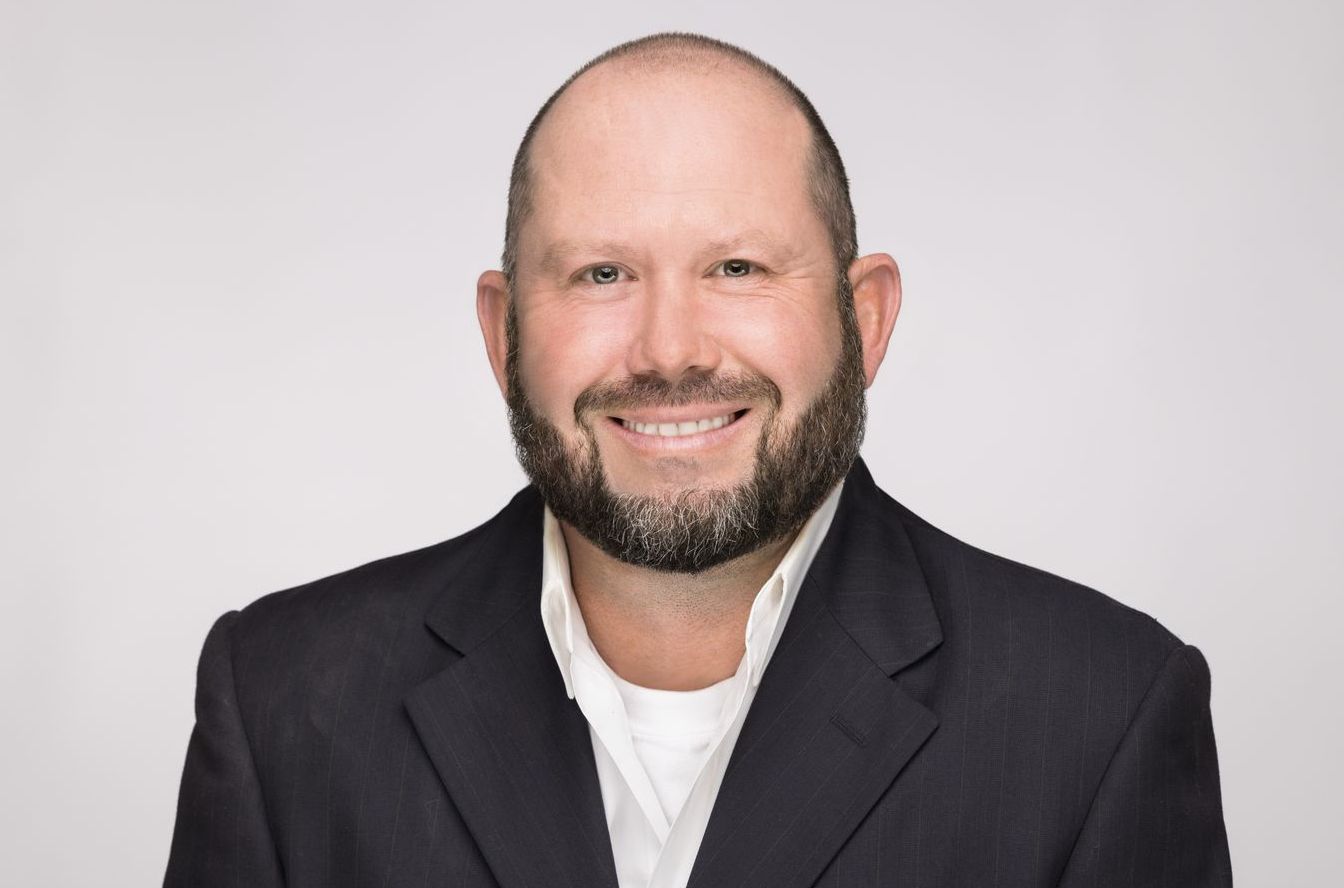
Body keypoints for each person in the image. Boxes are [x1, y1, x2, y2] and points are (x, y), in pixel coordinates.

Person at [164, 32, 1232, 888]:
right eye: (599, 275)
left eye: (737, 265)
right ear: (503, 335)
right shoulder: (282, 705)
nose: (670, 350)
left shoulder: (1101, 718)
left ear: (865, 319)